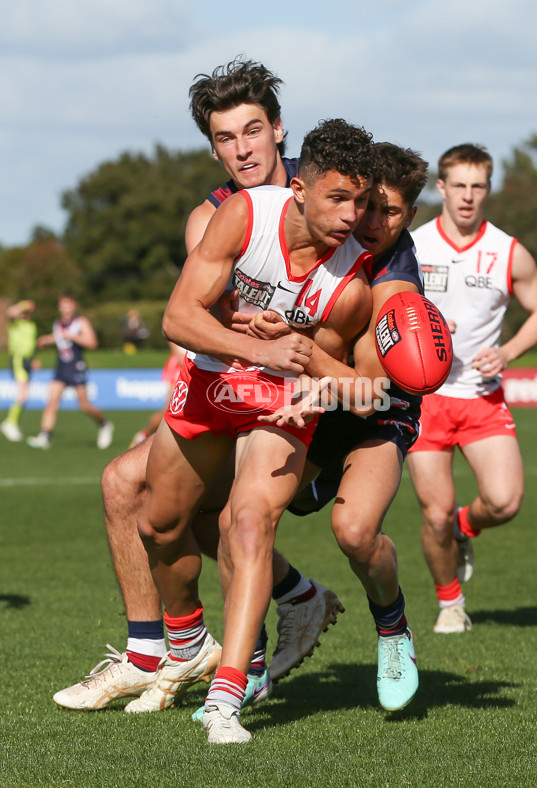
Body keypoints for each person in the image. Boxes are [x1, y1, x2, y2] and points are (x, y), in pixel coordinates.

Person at [52, 59, 343, 715]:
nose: (241, 149)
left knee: (228, 511)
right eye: (224, 138)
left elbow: (358, 304)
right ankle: (154, 652)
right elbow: (198, 331)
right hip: (236, 395)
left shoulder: (324, 198)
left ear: (277, 129)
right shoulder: (209, 219)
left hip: (317, 402)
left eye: (252, 130)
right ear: (212, 146)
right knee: (124, 484)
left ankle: (247, 652)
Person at [139, 117, 374, 745]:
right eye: (337, 197)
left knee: (247, 522)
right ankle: (188, 638)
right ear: (298, 187)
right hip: (212, 377)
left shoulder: (352, 283)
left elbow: (357, 385)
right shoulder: (243, 215)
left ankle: (227, 696)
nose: (352, 215)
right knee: (158, 522)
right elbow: (178, 317)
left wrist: (316, 381)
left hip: (280, 401)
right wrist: (256, 348)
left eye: (361, 201)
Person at [193, 142, 427, 723]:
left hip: (374, 414)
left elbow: (369, 388)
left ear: (410, 217)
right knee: (226, 521)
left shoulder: (395, 278)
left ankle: (392, 627)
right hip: (314, 404)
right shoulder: (326, 234)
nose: (371, 222)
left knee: (353, 530)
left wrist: (302, 357)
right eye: (365, 206)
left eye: (389, 212)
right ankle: (264, 641)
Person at [407, 143, 537, 633]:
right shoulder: (413, 246)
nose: (468, 196)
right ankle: (451, 603)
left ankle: (463, 529)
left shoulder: (507, 251)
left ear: (487, 189)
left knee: (505, 501)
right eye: (459, 185)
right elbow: (379, 306)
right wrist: (424, 323)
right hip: (425, 401)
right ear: (442, 188)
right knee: (434, 512)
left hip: (482, 396)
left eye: (478, 186)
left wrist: (509, 352)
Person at [27, 295, 114, 450]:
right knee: (52, 400)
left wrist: (73, 336)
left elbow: (92, 343)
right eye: (63, 305)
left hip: (76, 366)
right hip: (61, 366)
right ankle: (45, 435)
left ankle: (104, 424)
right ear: (59, 307)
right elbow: (59, 338)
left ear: (74, 306)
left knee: (84, 405)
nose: (66, 308)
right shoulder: (57, 323)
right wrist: (45, 340)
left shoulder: (81, 322)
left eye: (69, 305)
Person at [129, 341, 186, 447]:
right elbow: (175, 345)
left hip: (198, 367)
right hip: (181, 367)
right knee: (169, 411)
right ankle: (144, 435)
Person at [1, 299, 38, 442]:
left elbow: (31, 345)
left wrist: (34, 359)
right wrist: (24, 304)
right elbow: (9, 312)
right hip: (18, 360)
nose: (25, 315)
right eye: (23, 313)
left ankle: (12, 422)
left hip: (28, 361)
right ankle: (10, 423)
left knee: (25, 395)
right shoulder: (16, 324)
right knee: (23, 395)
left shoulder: (31, 326)